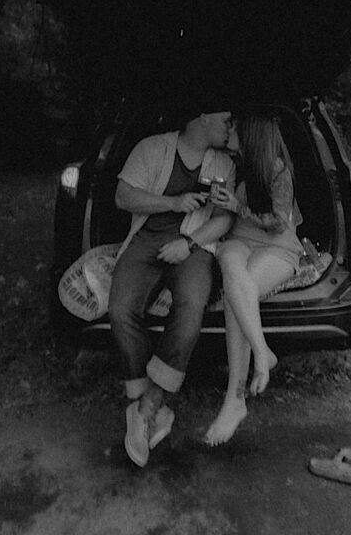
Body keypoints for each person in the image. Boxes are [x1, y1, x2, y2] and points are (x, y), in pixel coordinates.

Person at [110, 110, 236, 467]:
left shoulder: (223, 163)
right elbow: (123, 196)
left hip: (194, 246)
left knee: (191, 306)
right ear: (205, 118)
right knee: (120, 309)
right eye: (226, 119)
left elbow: (225, 218)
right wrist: (171, 203)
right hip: (146, 239)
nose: (230, 127)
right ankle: (145, 407)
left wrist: (190, 244)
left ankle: (148, 407)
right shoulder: (152, 148)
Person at [203, 112, 303, 446]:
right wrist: (218, 202)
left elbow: (278, 222)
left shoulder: (276, 168)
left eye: (235, 124)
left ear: (250, 133)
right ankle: (262, 353)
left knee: (237, 294)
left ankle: (234, 401)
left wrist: (237, 206)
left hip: (276, 244)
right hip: (237, 240)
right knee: (231, 265)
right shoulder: (231, 163)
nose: (229, 129)